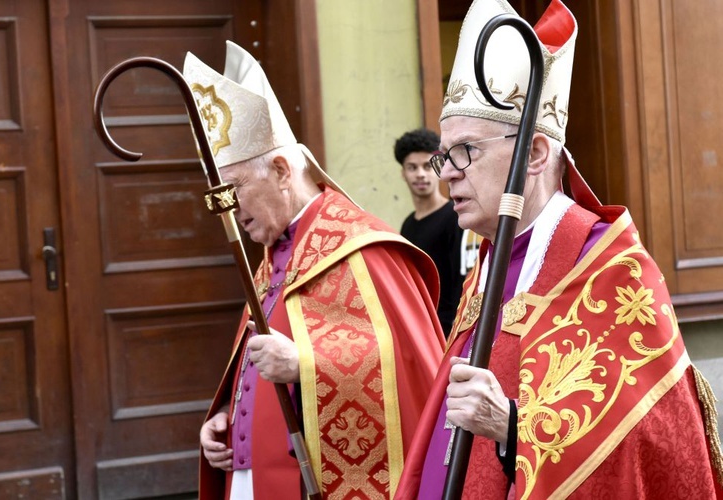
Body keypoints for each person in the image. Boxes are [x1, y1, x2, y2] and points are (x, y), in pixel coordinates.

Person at [395, 0, 723, 498]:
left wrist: (511, 426)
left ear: (535, 154)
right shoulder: (490, 262)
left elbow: (655, 443)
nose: (447, 173)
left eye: (465, 151)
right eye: (444, 154)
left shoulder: (611, 268)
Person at [183, 42, 445, 500]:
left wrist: (306, 364)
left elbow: (411, 369)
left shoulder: (366, 249)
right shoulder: (274, 255)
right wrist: (226, 414)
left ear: (282, 169)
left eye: (235, 188)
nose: (227, 209)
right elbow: (255, 365)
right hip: (248, 479)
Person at [395, 128, 467, 337]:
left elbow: (461, 283)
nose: (420, 174)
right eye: (412, 167)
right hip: (417, 331)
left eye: (427, 166)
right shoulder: (408, 224)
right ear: (403, 173)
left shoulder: (455, 218)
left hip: (446, 331)